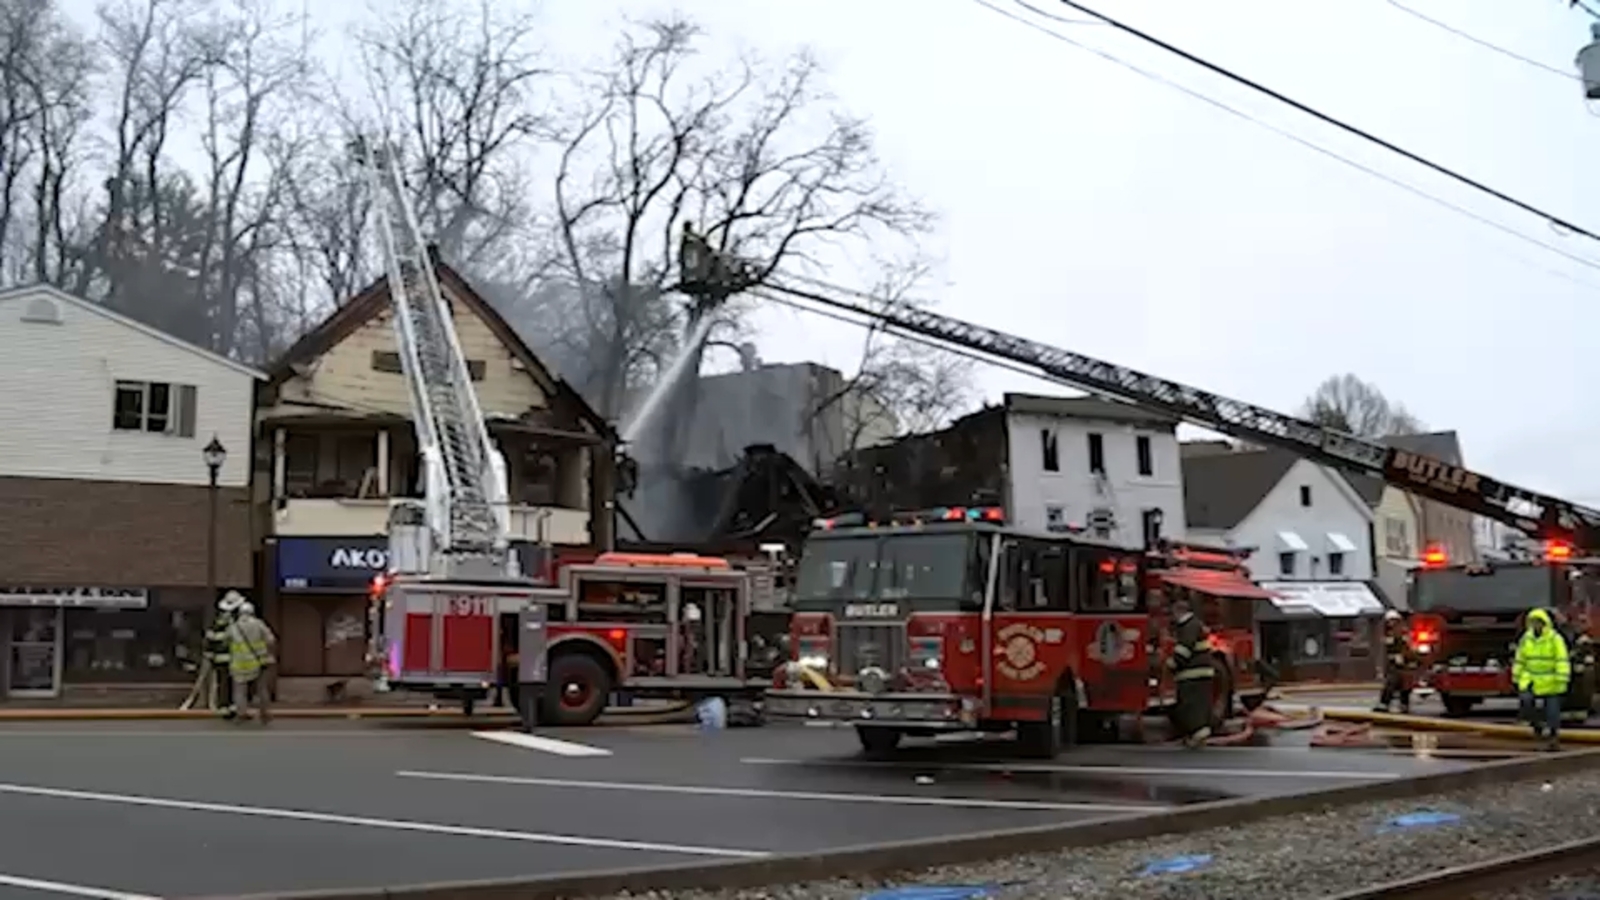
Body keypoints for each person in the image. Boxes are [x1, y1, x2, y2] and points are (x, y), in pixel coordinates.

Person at [1513, 608, 1570, 751]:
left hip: (1551, 680)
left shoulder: (1555, 639)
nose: (1536, 625)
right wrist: (1517, 676)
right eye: (1533, 622)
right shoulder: (1526, 639)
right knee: (1526, 702)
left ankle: (1553, 736)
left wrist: (1562, 678)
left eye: (1538, 622)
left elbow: (1561, 659)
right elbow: (1520, 659)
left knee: (1552, 711)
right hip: (1531, 678)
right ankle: (1536, 725)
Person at [1168, 597, 1215, 748]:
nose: (1172, 617)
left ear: (1179, 611)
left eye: (1173, 613)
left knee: (1189, 706)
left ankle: (1197, 736)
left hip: (1193, 674)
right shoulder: (1194, 624)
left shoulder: (1189, 626)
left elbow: (1184, 648)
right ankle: (1199, 735)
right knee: (1198, 705)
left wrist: (1173, 663)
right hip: (1199, 673)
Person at [226, 597, 278, 725]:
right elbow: (271, 640)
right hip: (257, 661)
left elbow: (227, 641)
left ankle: (241, 714)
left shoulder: (233, 627)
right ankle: (265, 714)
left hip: (238, 663)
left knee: (239, 690)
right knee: (261, 689)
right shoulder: (258, 624)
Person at [205, 594, 242, 719]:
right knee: (232, 682)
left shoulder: (218, 620)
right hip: (234, 657)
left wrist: (209, 653)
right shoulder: (235, 621)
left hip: (220, 657)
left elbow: (210, 637)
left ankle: (224, 705)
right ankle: (230, 705)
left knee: (223, 682)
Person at [1374, 610, 1414, 714]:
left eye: (1393, 621)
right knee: (1394, 683)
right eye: (1389, 621)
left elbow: (1407, 647)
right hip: (1392, 663)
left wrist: (1404, 658)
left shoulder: (1402, 632)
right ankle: (1388, 704)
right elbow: (1385, 650)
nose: (1390, 623)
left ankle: (1400, 704)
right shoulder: (1388, 633)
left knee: (1400, 684)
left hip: (1403, 663)